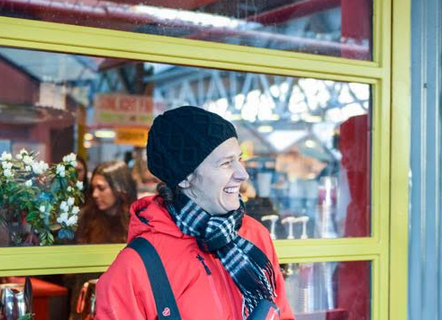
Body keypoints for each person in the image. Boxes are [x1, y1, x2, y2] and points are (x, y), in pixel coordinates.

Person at [96, 106, 294, 320]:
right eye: (226, 163)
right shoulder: (134, 269)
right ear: (184, 178)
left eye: (239, 159)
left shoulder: (254, 236)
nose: (242, 174)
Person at [76, 160, 137, 244]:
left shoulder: (138, 221)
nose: (95, 194)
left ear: (119, 188)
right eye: (93, 188)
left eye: (101, 188)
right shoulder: (84, 219)